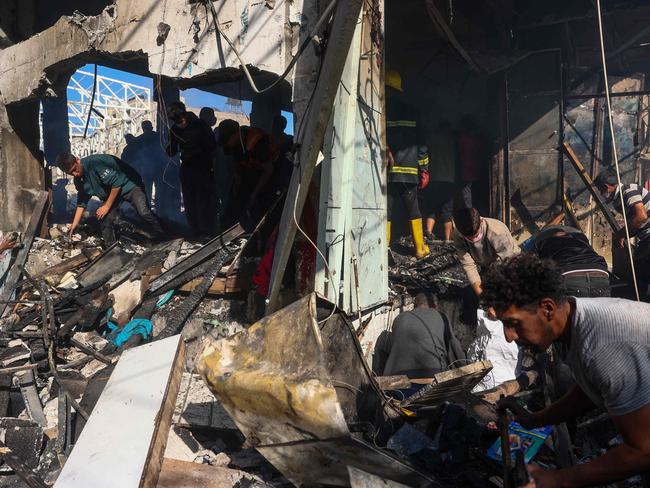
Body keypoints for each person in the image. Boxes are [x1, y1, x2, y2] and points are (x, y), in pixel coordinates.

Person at [483, 253, 650, 488]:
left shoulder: (603, 348)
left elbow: (642, 451)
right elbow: (589, 388)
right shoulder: (572, 319)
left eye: (513, 323)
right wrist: (535, 420)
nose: (509, 337)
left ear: (548, 309)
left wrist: (557, 480)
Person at [483, 225, 610, 402]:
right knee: (594, 335)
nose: (509, 336)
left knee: (562, 341)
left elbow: (532, 279)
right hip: (601, 276)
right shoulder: (579, 240)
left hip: (569, 276)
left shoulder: (538, 245)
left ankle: (563, 391)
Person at [55, 152, 164, 245]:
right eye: (71, 173)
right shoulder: (79, 180)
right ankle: (112, 249)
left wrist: (106, 206)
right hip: (111, 194)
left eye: (75, 169)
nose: (75, 174)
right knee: (105, 220)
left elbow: (116, 184)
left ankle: (163, 234)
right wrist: (75, 224)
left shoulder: (96, 163)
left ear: (78, 160)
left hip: (129, 185)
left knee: (143, 211)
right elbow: (82, 201)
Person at [385, 69, 430, 259]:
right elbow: (422, 144)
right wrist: (424, 168)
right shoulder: (413, 112)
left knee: (386, 210)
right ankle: (420, 249)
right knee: (413, 210)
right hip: (410, 172)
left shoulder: (380, 112)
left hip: (387, 172)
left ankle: (383, 248)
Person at [374, 292, 465, 383]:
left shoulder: (399, 318)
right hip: (432, 377)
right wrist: (463, 368)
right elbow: (453, 347)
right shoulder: (441, 316)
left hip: (397, 380)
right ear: (435, 304)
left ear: (415, 305)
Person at [594, 168, 650, 298]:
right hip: (646, 237)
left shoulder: (629, 190)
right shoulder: (618, 201)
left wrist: (621, 234)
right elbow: (636, 224)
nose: (601, 194)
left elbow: (641, 216)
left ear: (607, 187)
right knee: (639, 267)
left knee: (641, 270)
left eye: (601, 190)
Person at [167, 101, 218, 238]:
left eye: (181, 120)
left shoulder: (201, 125)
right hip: (187, 169)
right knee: (190, 202)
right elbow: (171, 151)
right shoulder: (175, 129)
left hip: (203, 168)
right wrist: (169, 147)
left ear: (185, 114)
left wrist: (197, 151)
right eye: (176, 121)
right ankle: (195, 232)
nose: (180, 123)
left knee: (205, 201)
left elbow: (213, 147)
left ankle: (208, 232)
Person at [217, 119, 281, 228]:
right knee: (235, 202)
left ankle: (255, 234)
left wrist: (254, 193)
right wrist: (237, 183)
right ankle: (229, 229)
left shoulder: (259, 142)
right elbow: (235, 162)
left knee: (257, 204)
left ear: (236, 134)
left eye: (227, 140)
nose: (226, 144)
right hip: (247, 170)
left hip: (267, 174)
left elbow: (268, 170)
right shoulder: (233, 144)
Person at [452, 207, 519, 299]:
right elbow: (468, 266)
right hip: (486, 265)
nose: (473, 241)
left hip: (512, 264)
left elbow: (509, 263)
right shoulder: (458, 234)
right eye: (469, 238)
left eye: (475, 236)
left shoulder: (497, 231)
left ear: (481, 222)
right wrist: (484, 299)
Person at [421, 120, 455, 241]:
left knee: (432, 208)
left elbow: (424, 153)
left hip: (434, 179)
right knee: (447, 210)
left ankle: (429, 233)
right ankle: (447, 239)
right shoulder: (452, 142)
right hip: (448, 180)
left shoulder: (433, 140)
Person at [456, 116, 486, 209]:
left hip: (466, 168)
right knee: (474, 191)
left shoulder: (463, 138)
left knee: (466, 192)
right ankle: (475, 211)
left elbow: (459, 151)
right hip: (476, 168)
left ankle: (470, 214)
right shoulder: (477, 138)